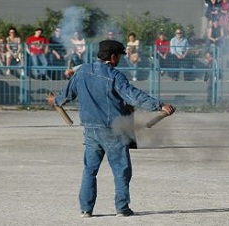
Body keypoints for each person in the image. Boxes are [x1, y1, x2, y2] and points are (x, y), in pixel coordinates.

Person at [47, 40, 175, 218]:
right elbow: (133, 97)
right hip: (113, 129)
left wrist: (54, 100)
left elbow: (64, 96)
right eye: (120, 57)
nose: (120, 60)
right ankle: (122, 208)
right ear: (113, 57)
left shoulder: (82, 71)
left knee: (90, 170)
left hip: (90, 129)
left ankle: (86, 209)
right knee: (121, 169)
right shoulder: (115, 75)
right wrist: (159, 105)